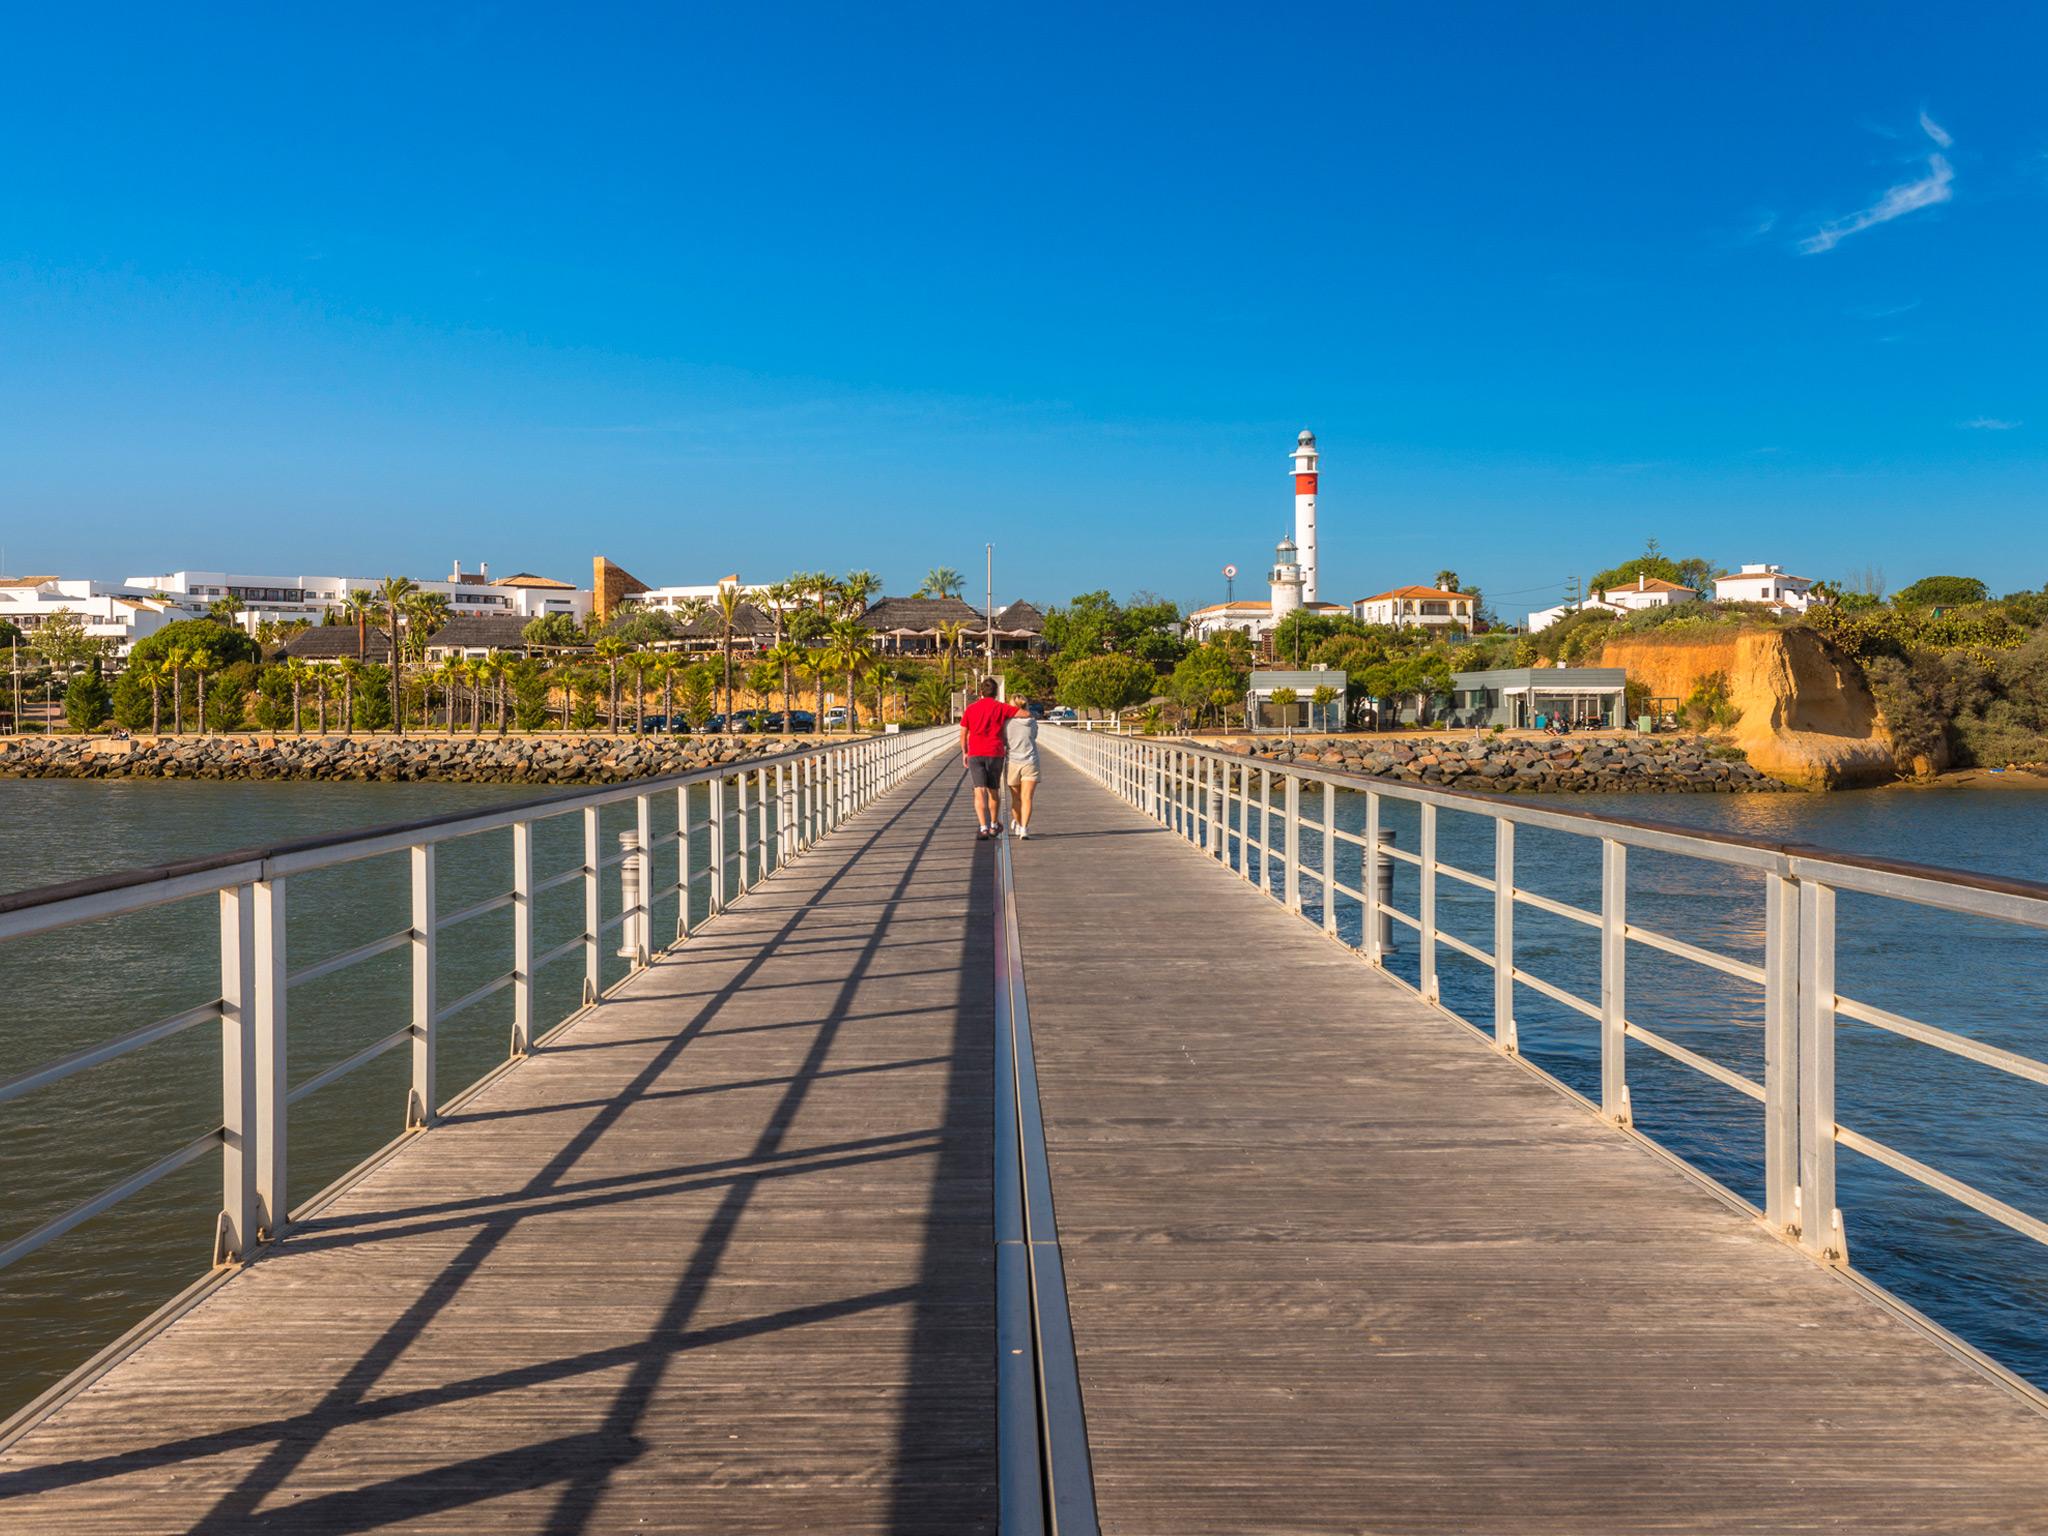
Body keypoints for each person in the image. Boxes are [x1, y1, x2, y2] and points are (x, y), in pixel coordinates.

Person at [958, 677, 1021, 839]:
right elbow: (1025, 714)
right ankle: (994, 825)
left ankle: (983, 828)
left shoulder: (971, 709)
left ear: (981, 692)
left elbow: (963, 733)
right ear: (996, 692)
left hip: (976, 754)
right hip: (995, 753)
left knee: (979, 791)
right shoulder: (1001, 707)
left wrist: (965, 752)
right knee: (994, 791)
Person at [1004, 701, 1043, 838]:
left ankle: (1019, 823)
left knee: (1016, 798)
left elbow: (1004, 741)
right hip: (1031, 762)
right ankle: (1024, 829)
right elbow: (1034, 736)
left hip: (1013, 763)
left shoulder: (1006, 723)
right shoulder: (1032, 722)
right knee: (1027, 798)